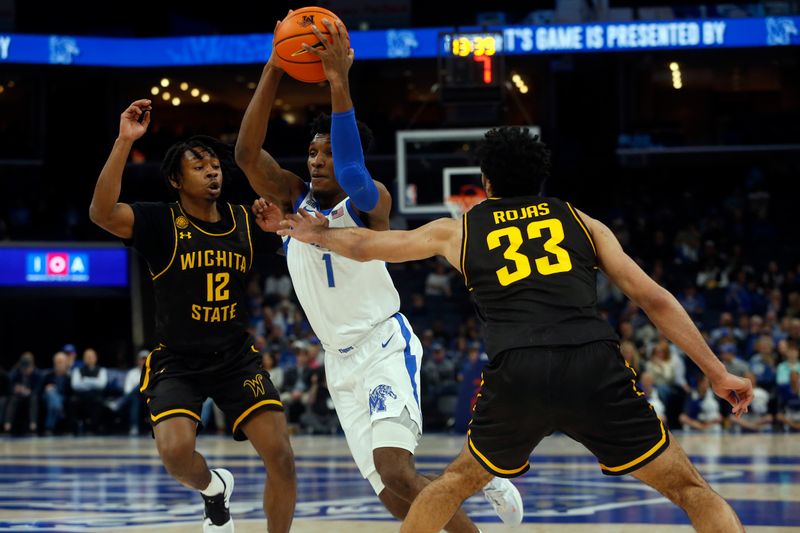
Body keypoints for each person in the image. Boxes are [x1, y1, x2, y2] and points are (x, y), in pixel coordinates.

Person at [278, 126, 755, 533]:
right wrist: (717, 372)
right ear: (541, 177)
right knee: (691, 489)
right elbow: (654, 299)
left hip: (518, 371)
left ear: (485, 181)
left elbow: (370, 245)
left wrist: (315, 233)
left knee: (449, 486)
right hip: (593, 364)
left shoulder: (460, 228)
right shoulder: (581, 221)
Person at [235, 13, 521, 530]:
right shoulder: (292, 204)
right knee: (394, 495)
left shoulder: (370, 202)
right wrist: (275, 67)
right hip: (338, 363)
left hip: (383, 345)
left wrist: (339, 82)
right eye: (312, 152)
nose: (317, 161)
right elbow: (246, 154)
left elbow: (350, 170)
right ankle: (475, 478)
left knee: (399, 472)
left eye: (327, 151)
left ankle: (477, 481)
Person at [89, 99, 295, 532]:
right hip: (178, 361)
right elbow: (102, 214)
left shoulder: (245, 220)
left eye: (215, 164)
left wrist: (278, 220)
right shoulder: (162, 223)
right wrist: (125, 141)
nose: (213, 171)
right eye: (199, 166)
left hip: (235, 359)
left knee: (280, 455)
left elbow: (300, 231)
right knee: (177, 457)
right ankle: (214, 488)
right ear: (175, 180)